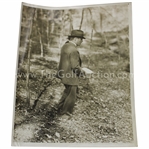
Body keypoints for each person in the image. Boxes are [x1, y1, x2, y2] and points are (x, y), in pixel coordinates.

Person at [56, 29, 85, 116]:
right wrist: (82, 72)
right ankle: (66, 112)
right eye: (81, 39)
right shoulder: (73, 50)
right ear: (76, 39)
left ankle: (59, 108)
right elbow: (75, 66)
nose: (82, 41)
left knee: (67, 92)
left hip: (63, 74)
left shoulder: (65, 46)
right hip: (71, 76)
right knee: (72, 95)